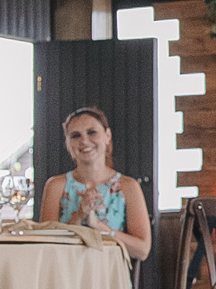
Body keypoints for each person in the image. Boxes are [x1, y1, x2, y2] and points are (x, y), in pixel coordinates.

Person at [38, 108, 151, 260]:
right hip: (66, 276)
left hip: (110, 277)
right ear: (67, 144)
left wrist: (97, 225)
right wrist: (78, 216)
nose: (84, 141)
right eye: (75, 135)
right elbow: (46, 246)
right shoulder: (55, 186)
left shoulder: (128, 186)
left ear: (107, 136)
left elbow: (142, 251)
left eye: (91, 132)